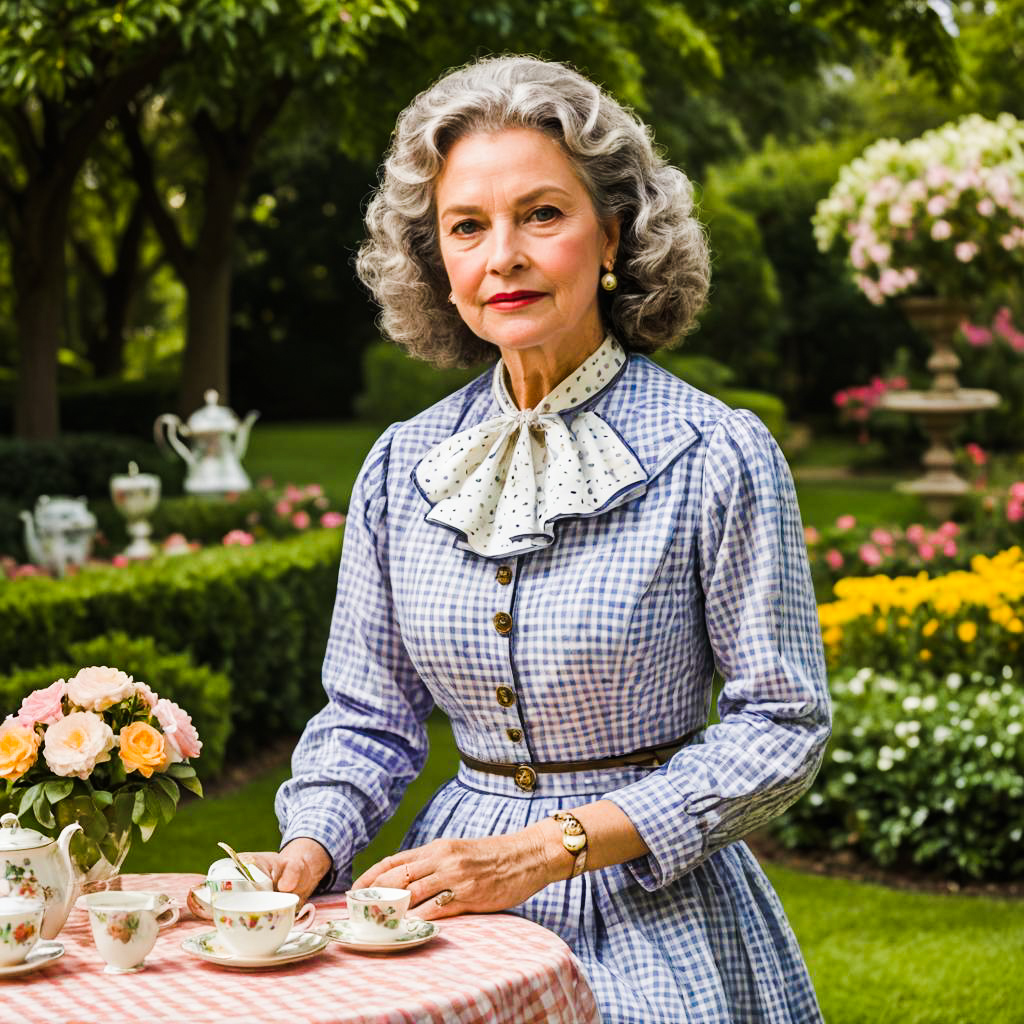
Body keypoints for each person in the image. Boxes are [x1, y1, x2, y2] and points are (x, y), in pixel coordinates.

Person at [249, 55, 831, 1023]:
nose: (502, 255)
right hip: (447, 910)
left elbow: (781, 724)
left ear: (612, 233)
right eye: (467, 227)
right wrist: (306, 848)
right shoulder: (402, 465)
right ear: (438, 260)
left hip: (654, 900)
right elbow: (366, 716)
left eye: (541, 215)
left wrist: (551, 846)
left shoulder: (716, 454)